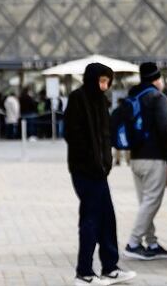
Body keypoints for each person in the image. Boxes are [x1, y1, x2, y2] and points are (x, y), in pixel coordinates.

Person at [63, 62, 136, 285]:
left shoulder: (100, 101)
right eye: (101, 81)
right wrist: (92, 161)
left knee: (107, 217)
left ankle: (110, 267)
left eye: (107, 82)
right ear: (92, 79)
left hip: (99, 171)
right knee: (91, 219)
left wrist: (105, 163)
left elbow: (106, 135)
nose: (105, 86)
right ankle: (84, 272)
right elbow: (72, 135)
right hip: (85, 171)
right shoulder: (78, 99)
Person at [123, 62, 167, 260]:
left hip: (135, 157)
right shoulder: (157, 97)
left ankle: (151, 243)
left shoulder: (133, 96)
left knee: (146, 202)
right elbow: (164, 128)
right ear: (157, 79)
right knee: (151, 202)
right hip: (154, 157)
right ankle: (133, 242)